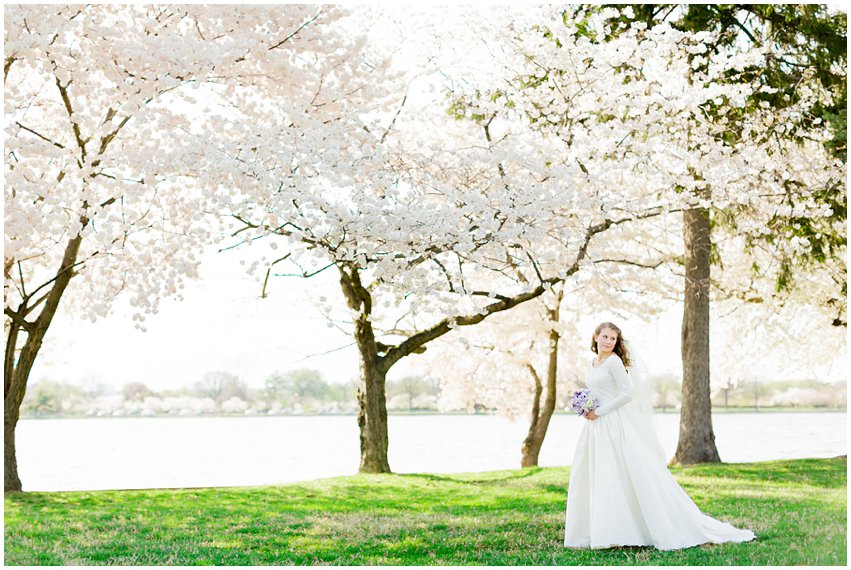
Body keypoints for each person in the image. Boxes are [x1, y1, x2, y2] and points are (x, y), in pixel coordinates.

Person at [563, 322, 756, 551]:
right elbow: (596, 391)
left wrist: (601, 411)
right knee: (603, 474)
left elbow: (628, 393)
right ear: (595, 337)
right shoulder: (593, 363)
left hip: (614, 423)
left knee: (622, 473)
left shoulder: (614, 362)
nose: (608, 342)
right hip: (596, 426)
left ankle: (636, 528)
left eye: (613, 339)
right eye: (604, 337)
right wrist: (586, 407)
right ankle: (606, 529)